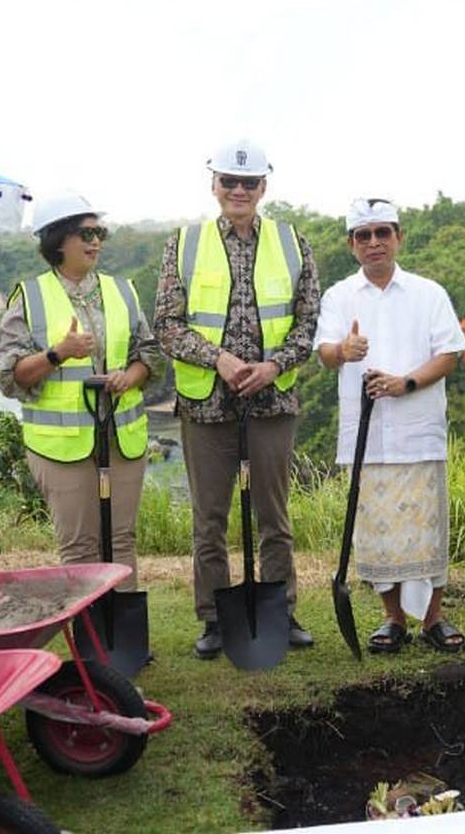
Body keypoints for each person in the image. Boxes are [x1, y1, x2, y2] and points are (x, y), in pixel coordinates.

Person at [153, 139, 319, 660]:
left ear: (264, 187)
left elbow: (308, 321)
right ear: (214, 185)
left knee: (274, 515)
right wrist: (219, 359)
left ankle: (281, 609)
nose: (239, 191)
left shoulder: (293, 243)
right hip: (207, 402)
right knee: (209, 518)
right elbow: (167, 324)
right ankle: (213, 619)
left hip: (272, 403)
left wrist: (273, 366)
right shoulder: (184, 243)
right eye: (230, 181)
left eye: (249, 183)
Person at [315, 198, 465, 653]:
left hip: (417, 431)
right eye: (364, 235)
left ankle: (434, 618)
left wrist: (406, 382)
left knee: (427, 532)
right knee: (377, 534)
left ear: (399, 237)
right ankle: (393, 618)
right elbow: (324, 352)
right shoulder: (339, 296)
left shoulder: (428, 292)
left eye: (383, 232)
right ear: (351, 244)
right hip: (366, 435)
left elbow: (450, 354)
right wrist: (344, 350)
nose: (374, 243)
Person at [0, 193, 159, 593]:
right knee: (80, 545)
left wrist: (130, 377)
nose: (95, 240)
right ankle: (90, 638)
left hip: (121, 436)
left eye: (99, 232)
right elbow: (6, 374)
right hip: (60, 446)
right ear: (58, 240)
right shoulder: (29, 297)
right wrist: (56, 354)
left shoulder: (122, 291)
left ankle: (123, 638)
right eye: (86, 232)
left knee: (121, 539)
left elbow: (149, 353)